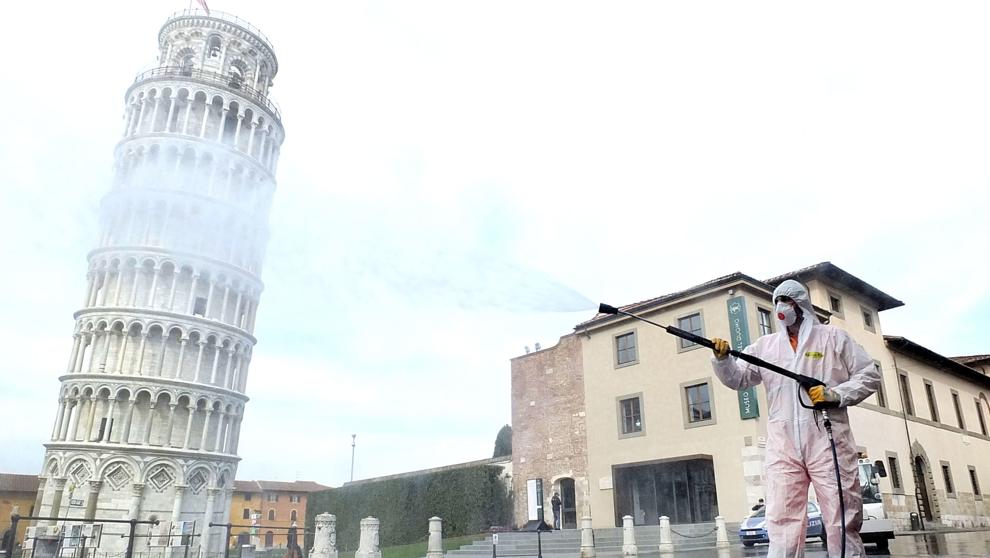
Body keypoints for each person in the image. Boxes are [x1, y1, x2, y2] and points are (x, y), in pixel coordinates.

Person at [711, 279, 879, 558]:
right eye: (777, 300)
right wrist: (722, 360)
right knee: (782, 519)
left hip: (827, 439)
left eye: (787, 300)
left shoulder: (833, 338)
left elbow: (869, 375)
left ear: (801, 304)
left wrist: (836, 394)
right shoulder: (765, 347)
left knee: (841, 514)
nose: (781, 306)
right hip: (783, 444)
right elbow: (739, 379)